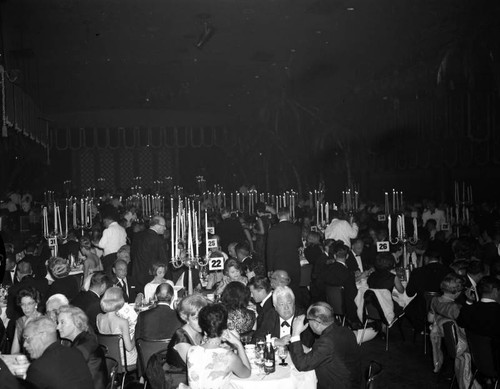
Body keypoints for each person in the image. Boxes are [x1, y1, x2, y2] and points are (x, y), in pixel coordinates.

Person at [289, 302, 361, 389]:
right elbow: (332, 355)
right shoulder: (345, 330)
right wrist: (310, 350)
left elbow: (301, 365)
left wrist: (295, 333)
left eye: (308, 321)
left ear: (316, 324)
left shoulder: (326, 341)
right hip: (354, 383)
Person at [186, 304, 251, 389]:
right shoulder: (229, 357)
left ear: (204, 330)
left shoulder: (191, 351)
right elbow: (246, 374)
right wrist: (239, 344)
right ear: (224, 329)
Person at [24, 316, 94, 389]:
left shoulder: (38, 368)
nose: (25, 344)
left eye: (27, 339)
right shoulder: (75, 353)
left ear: (43, 335)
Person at [57, 306, 108, 389]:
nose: (58, 327)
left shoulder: (84, 345)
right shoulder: (85, 339)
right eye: (58, 323)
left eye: (62, 322)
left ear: (77, 322)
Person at [166, 294, 208, 383]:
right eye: (196, 318)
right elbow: (200, 369)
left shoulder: (199, 331)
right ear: (185, 318)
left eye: (203, 317)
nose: (202, 322)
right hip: (181, 382)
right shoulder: (182, 341)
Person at [322, 243, 362, 328]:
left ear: (335, 256)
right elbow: (352, 294)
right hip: (346, 307)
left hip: (330, 304)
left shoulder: (326, 269)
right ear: (347, 256)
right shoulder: (347, 273)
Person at [429, 273, 463, 373]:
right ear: (457, 292)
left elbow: (430, 319)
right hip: (456, 340)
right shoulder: (456, 307)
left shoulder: (434, 300)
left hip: (439, 334)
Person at [96, 287, 137, 368]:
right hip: (125, 361)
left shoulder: (99, 317)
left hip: (108, 358)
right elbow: (129, 348)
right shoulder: (122, 322)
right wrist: (136, 333)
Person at [266, 208, 302, 297]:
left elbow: (269, 251)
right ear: (289, 215)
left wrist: (269, 268)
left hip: (279, 265)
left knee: (280, 292)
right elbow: (299, 245)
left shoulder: (273, 230)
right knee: (294, 291)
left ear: (278, 216)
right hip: (294, 264)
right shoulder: (296, 229)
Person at [130, 215, 170, 291]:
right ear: (157, 225)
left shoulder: (138, 236)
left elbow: (132, 255)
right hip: (152, 278)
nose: (165, 228)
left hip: (136, 275)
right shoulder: (159, 240)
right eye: (163, 226)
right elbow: (163, 261)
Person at [10, 287, 43, 354]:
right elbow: (14, 352)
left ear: (36, 303)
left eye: (30, 303)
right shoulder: (20, 321)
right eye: (23, 304)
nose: (26, 308)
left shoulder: (43, 321)